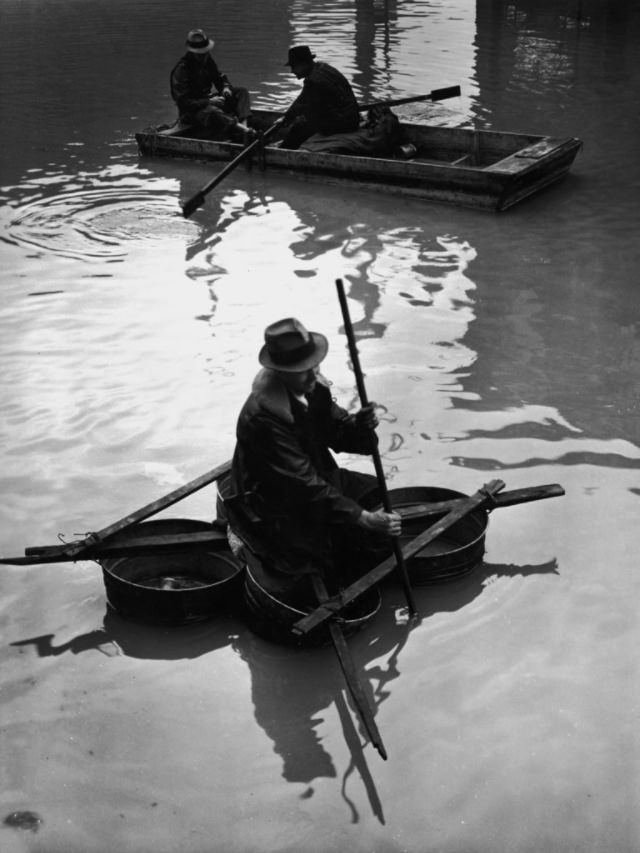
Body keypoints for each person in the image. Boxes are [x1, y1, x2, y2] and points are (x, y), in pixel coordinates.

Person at [220, 317, 401, 587]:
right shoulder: (261, 419)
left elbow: (336, 431)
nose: (312, 376)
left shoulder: (312, 387)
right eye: (301, 371)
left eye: (313, 367)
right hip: (272, 503)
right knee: (326, 551)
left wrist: (360, 427)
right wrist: (362, 518)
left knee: (378, 494)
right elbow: (302, 484)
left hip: (314, 476)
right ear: (280, 371)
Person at [170, 28, 252, 140]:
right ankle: (244, 130)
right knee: (212, 112)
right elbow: (183, 103)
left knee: (241, 92)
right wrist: (208, 101)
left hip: (208, 100)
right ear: (193, 52)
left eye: (205, 52)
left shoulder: (207, 60)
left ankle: (244, 124)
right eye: (200, 54)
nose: (204, 55)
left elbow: (220, 78)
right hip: (192, 112)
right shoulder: (182, 70)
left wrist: (225, 88)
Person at [278, 46, 360, 150]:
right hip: (353, 119)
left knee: (301, 125)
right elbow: (302, 99)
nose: (292, 71)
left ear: (303, 64)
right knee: (306, 116)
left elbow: (302, 105)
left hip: (344, 124)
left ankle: (284, 150)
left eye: (294, 67)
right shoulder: (323, 68)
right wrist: (287, 116)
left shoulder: (313, 81)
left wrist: (288, 118)